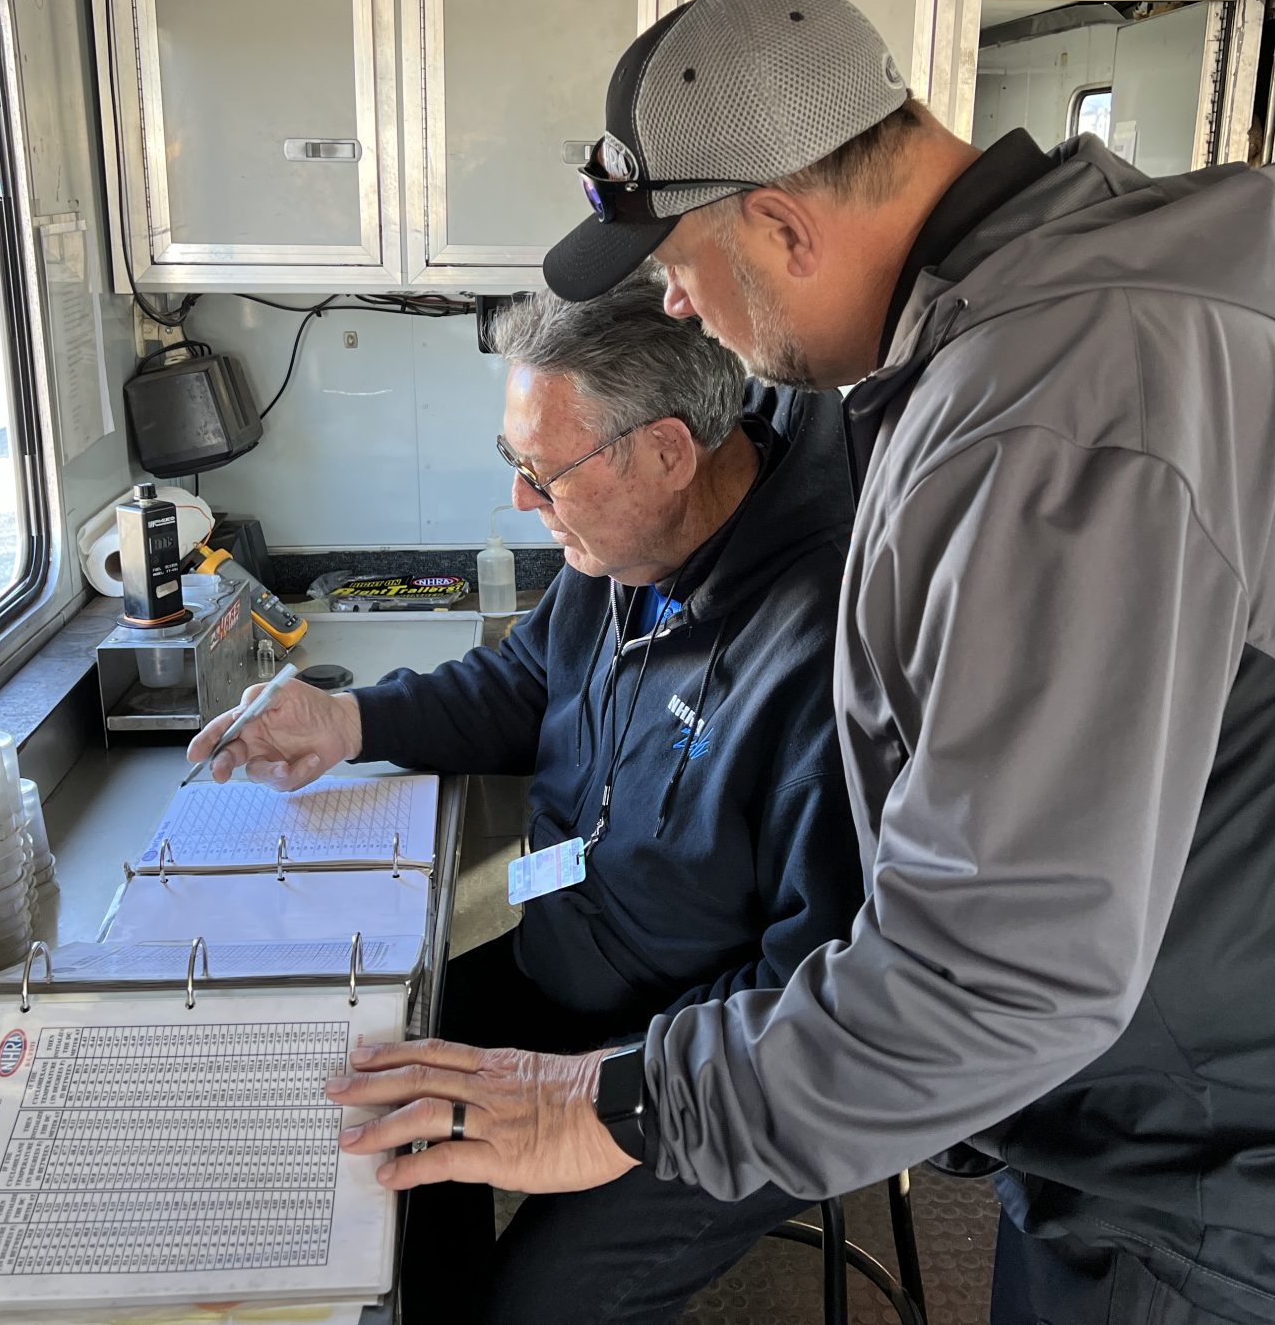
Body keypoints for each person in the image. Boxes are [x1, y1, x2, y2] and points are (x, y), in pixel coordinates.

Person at [307, 0, 1275, 1325]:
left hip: (1236, 1174)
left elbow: (1001, 966)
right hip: (1139, 1104)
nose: (683, 313)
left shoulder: (1056, 420)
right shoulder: (997, 361)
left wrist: (629, 1100)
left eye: (679, 273)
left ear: (782, 223)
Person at [189, 275, 864, 1323]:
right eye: (517, 465)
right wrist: (352, 723)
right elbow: (524, 682)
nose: (520, 502)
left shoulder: (830, 648)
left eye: (541, 474)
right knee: (367, 1087)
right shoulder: (623, 536)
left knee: (536, 1307)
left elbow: (820, 986)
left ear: (667, 452)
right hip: (570, 967)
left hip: (722, 1064)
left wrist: (612, 1096)